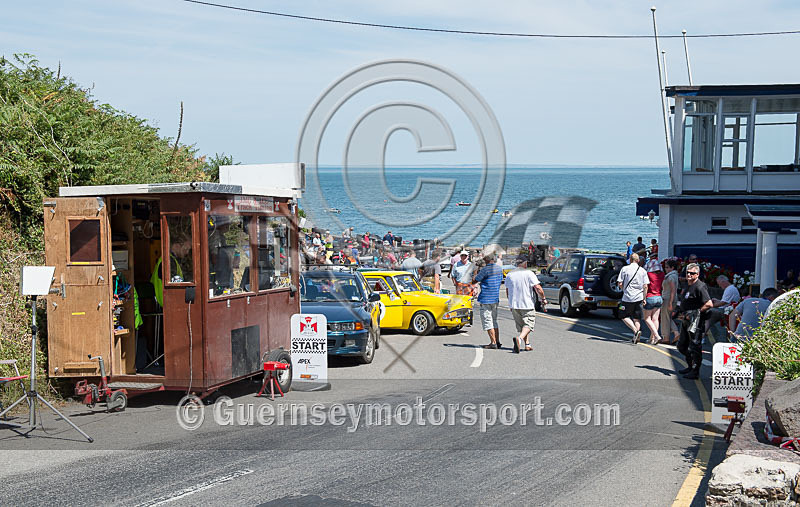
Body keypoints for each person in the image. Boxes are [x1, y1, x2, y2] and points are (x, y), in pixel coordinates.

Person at [673, 262, 713, 379]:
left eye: (692, 273)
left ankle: (695, 371)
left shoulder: (700, 286)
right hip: (686, 320)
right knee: (682, 346)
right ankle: (690, 366)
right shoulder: (687, 285)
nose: (689, 275)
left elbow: (709, 303)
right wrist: (678, 312)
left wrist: (697, 312)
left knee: (695, 345)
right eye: (688, 273)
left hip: (695, 321)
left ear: (697, 274)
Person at [505, 255, 547, 353]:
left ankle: (527, 344)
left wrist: (510, 303)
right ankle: (519, 340)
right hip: (527, 304)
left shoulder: (510, 274)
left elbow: (508, 291)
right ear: (525, 263)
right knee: (529, 325)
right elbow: (538, 288)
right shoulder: (529, 273)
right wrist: (543, 298)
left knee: (522, 326)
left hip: (514, 304)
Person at [617, 253, 649, 343]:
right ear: (638, 260)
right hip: (639, 297)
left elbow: (620, 283)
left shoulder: (625, 269)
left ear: (630, 260)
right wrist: (644, 298)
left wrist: (624, 290)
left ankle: (635, 331)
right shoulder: (642, 271)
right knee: (636, 317)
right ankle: (636, 337)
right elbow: (645, 286)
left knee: (622, 314)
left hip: (627, 297)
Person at [474, 254, 504, 349]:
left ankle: (493, 342)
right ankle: (497, 341)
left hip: (486, 297)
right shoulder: (499, 269)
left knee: (488, 320)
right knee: (494, 320)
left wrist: (475, 269)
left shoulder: (485, 270)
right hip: (495, 297)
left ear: (486, 259)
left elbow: (474, 280)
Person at [660, 258, 681, 345]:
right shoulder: (675, 275)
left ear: (672, 268)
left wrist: (670, 302)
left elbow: (672, 290)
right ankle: (675, 333)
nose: (666, 269)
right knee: (668, 317)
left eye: (668, 267)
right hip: (671, 299)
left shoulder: (671, 276)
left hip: (668, 299)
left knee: (665, 318)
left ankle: (666, 337)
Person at [643, 259, 664, 344]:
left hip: (650, 297)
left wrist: (643, 298)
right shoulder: (662, 274)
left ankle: (656, 336)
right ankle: (652, 338)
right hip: (659, 297)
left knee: (647, 318)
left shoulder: (648, 274)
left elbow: (645, 287)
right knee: (655, 319)